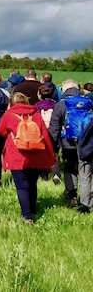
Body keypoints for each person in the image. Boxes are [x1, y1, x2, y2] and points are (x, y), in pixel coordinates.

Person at [0, 92, 55, 223]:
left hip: (17, 156)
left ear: (11, 102)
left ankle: (27, 216)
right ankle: (33, 209)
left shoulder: (8, 115)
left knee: (22, 187)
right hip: (36, 155)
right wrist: (51, 157)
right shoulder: (36, 115)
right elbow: (45, 136)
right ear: (27, 102)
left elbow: (0, 131)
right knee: (32, 184)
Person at [49, 79, 93, 212]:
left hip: (67, 143)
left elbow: (54, 128)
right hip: (86, 143)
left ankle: (71, 194)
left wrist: (54, 147)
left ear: (63, 89)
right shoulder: (88, 102)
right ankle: (85, 204)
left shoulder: (60, 105)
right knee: (85, 172)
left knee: (69, 169)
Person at [36, 85, 60, 183]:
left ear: (39, 95)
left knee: (42, 154)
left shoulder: (36, 106)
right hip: (54, 132)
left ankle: (44, 175)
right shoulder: (56, 105)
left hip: (41, 132)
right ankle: (56, 173)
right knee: (54, 153)